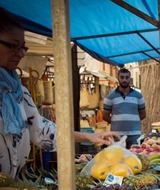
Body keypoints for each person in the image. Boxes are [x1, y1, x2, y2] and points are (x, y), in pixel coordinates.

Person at [0, 7, 120, 178]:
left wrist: (92, 137)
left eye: (23, 48)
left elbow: (42, 131)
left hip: (13, 188)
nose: (20, 53)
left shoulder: (19, 93)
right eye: (12, 46)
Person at [102, 68, 146, 149]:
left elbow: (143, 114)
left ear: (130, 78)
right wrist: (116, 122)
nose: (124, 80)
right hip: (117, 135)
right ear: (118, 78)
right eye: (122, 77)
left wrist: (132, 121)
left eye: (127, 77)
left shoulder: (138, 96)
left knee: (135, 157)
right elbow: (105, 116)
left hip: (134, 135)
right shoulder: (110, 97)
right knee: (118, 158)